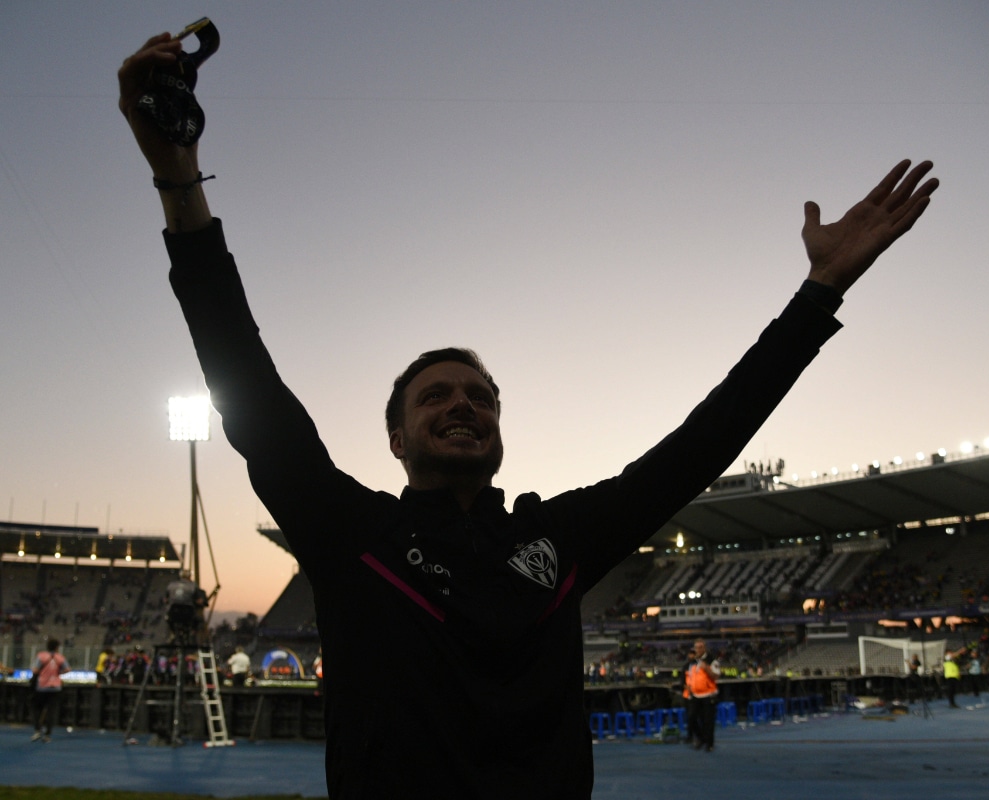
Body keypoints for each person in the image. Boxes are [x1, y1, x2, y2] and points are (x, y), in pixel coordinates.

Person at [118, 29, 937, 799]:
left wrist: (819, 293)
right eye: (435, 395)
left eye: (480, 396)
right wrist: (178, 177)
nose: (462, 403)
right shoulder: (351, 534)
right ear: (396, 439)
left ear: (500, 432)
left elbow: (703, 443)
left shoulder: (557, 540)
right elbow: (247, 380)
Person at [31, 638, 71, 742]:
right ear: (57, 647)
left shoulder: (41, 656)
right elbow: (67, 669)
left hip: (42, 687)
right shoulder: (60, 657)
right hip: (55, 687)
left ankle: (37, 730)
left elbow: (35, 670)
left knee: (37, 709)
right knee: (51, 711)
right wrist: (58, 673)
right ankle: (48, 734)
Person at [685, 640, 720, 752]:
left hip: (708, 694)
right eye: (696, 647)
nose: (698, 650)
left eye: (700, 647)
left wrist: (707, 668)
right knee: (691, 717)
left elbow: (716, 676)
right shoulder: (693, 662)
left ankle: (709, 743)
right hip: (695, 694)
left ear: (704, 648)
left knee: (708, 720)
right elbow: (690, 675)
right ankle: (701, 737)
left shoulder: (712, 660)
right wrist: (688, 686)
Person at [165, 569, 207, 644]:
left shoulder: (171, 585)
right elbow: (199, 600)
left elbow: (165, 599)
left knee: (168, 619)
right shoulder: (193, 586)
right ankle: (193, 633)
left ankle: (173, 633)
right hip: (188, 612)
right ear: (189, 576)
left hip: (173, 612)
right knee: (198, 620)